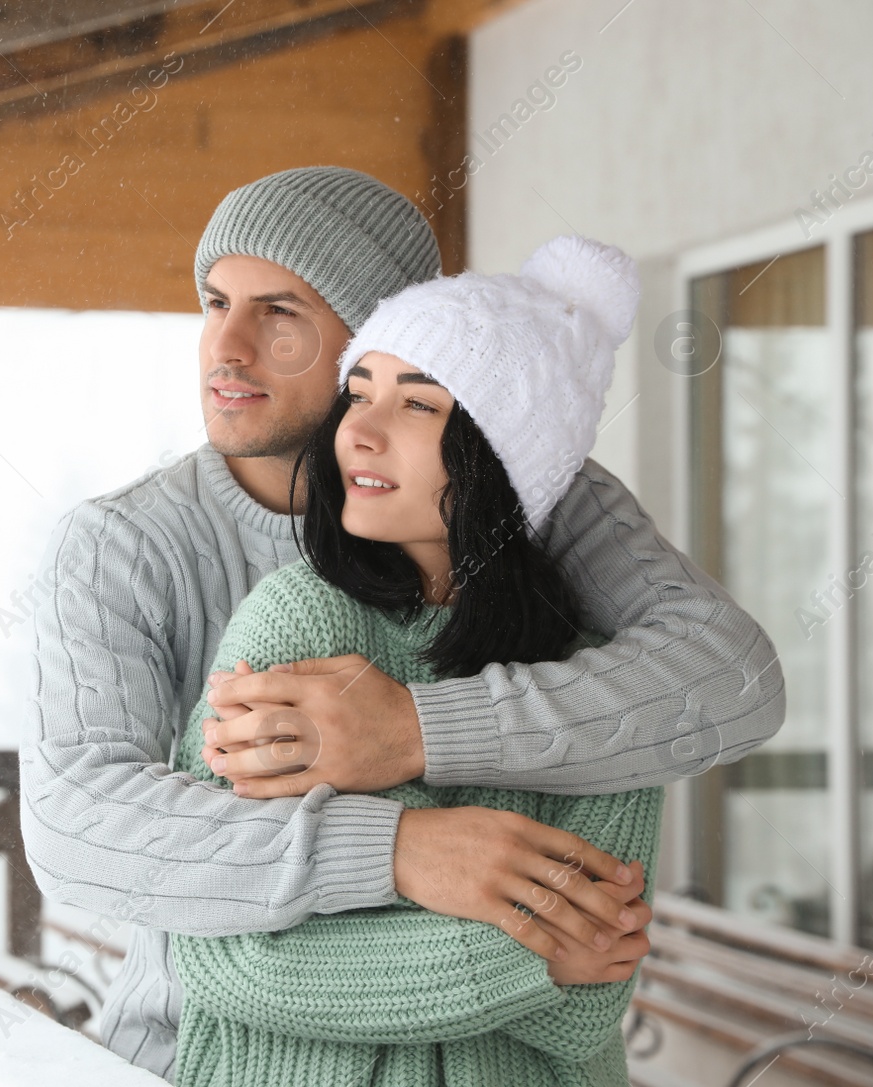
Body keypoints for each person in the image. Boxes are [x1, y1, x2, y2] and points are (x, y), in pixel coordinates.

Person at [18, 166, 784, 1082]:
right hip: (208, 1049)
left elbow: (731, 681)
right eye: (216, 302)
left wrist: (416, 732)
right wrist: (398, 850)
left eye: (281, 311)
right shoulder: (123, 546)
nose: (226, 345)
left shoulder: (536, 499)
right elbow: (77, 825)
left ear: (385, 328)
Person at [168, 235, 663, 1087]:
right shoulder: (297, 624)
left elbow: (591, 998)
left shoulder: (595, 688)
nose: (358, 429)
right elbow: (226, 955)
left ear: (503, 452)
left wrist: (363, 940)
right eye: (358, 392)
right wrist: (528, 952)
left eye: (417, 405)